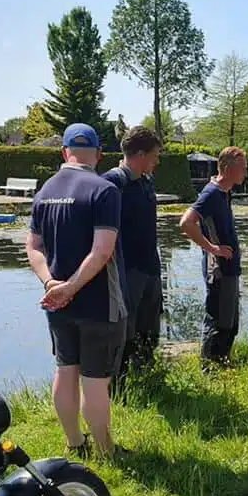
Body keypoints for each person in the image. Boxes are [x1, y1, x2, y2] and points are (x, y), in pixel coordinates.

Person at [25, 123, 127, 459]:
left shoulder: (44, 192)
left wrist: (51, 283)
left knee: (65, 370)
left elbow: (33, 246)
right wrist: (70, 286)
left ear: (63, 152)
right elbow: (102, 251)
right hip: (99, 303)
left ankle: (74, 442)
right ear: (98, 154)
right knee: (96, 381)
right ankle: (106, 451)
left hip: (57, 304)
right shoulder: (103, 190)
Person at [102, 125, 163, 377]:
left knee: (150, 329)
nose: (157, 160)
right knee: (125, 331)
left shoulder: (146, 181)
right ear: (139, 154)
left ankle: (146, 377)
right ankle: (121, 385)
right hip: (126, 272)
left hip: (150, 267)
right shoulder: (112, 183)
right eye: (155, 155)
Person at [179, 146, 247, 368]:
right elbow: (186, 222)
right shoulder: (211, 193)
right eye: (242, 168)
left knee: (230, 321)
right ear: (227, 169)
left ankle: (223, 363)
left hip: (230, 267)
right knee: (218, 319)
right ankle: (209, 368)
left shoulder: (224, 192)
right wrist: (212, 248)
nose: (245, 173)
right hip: (217, 269)